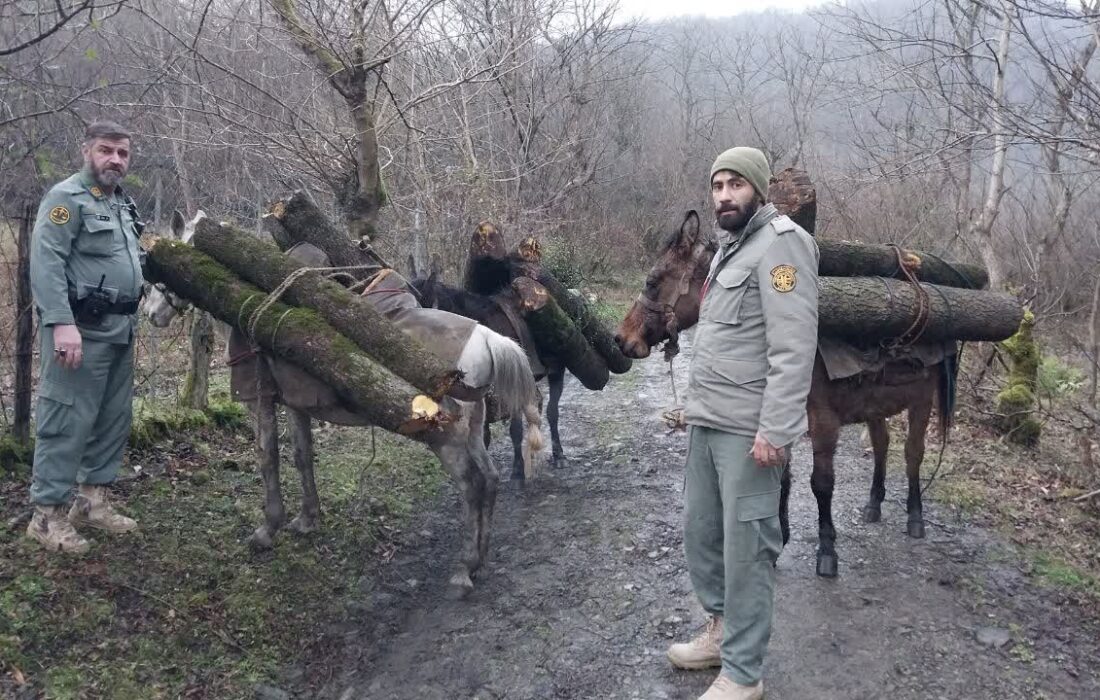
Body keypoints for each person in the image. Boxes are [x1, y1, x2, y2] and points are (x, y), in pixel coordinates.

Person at [668, 147, 819, 700]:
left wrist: (776, 430)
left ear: (757, 188)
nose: (724, 195)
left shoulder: (782, 245)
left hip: (748, 430)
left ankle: (743, 673)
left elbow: (793, 346)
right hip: (709, 420)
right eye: (717, 185)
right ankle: (720, 630)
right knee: (701, 532)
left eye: (736, 184)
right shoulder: (731, 247)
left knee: (748, 549)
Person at [25, 120, 144, 553]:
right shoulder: (66, 199)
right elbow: (46, 262)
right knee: (66, 421)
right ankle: (46, 517)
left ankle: (92, 503)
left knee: (112, 419)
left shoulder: (121, 204)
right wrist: (61, 323)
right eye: (106, 150)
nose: (115, 159)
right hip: (79, 332)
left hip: (120, 329)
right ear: (86, 151)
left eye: (122, 153)